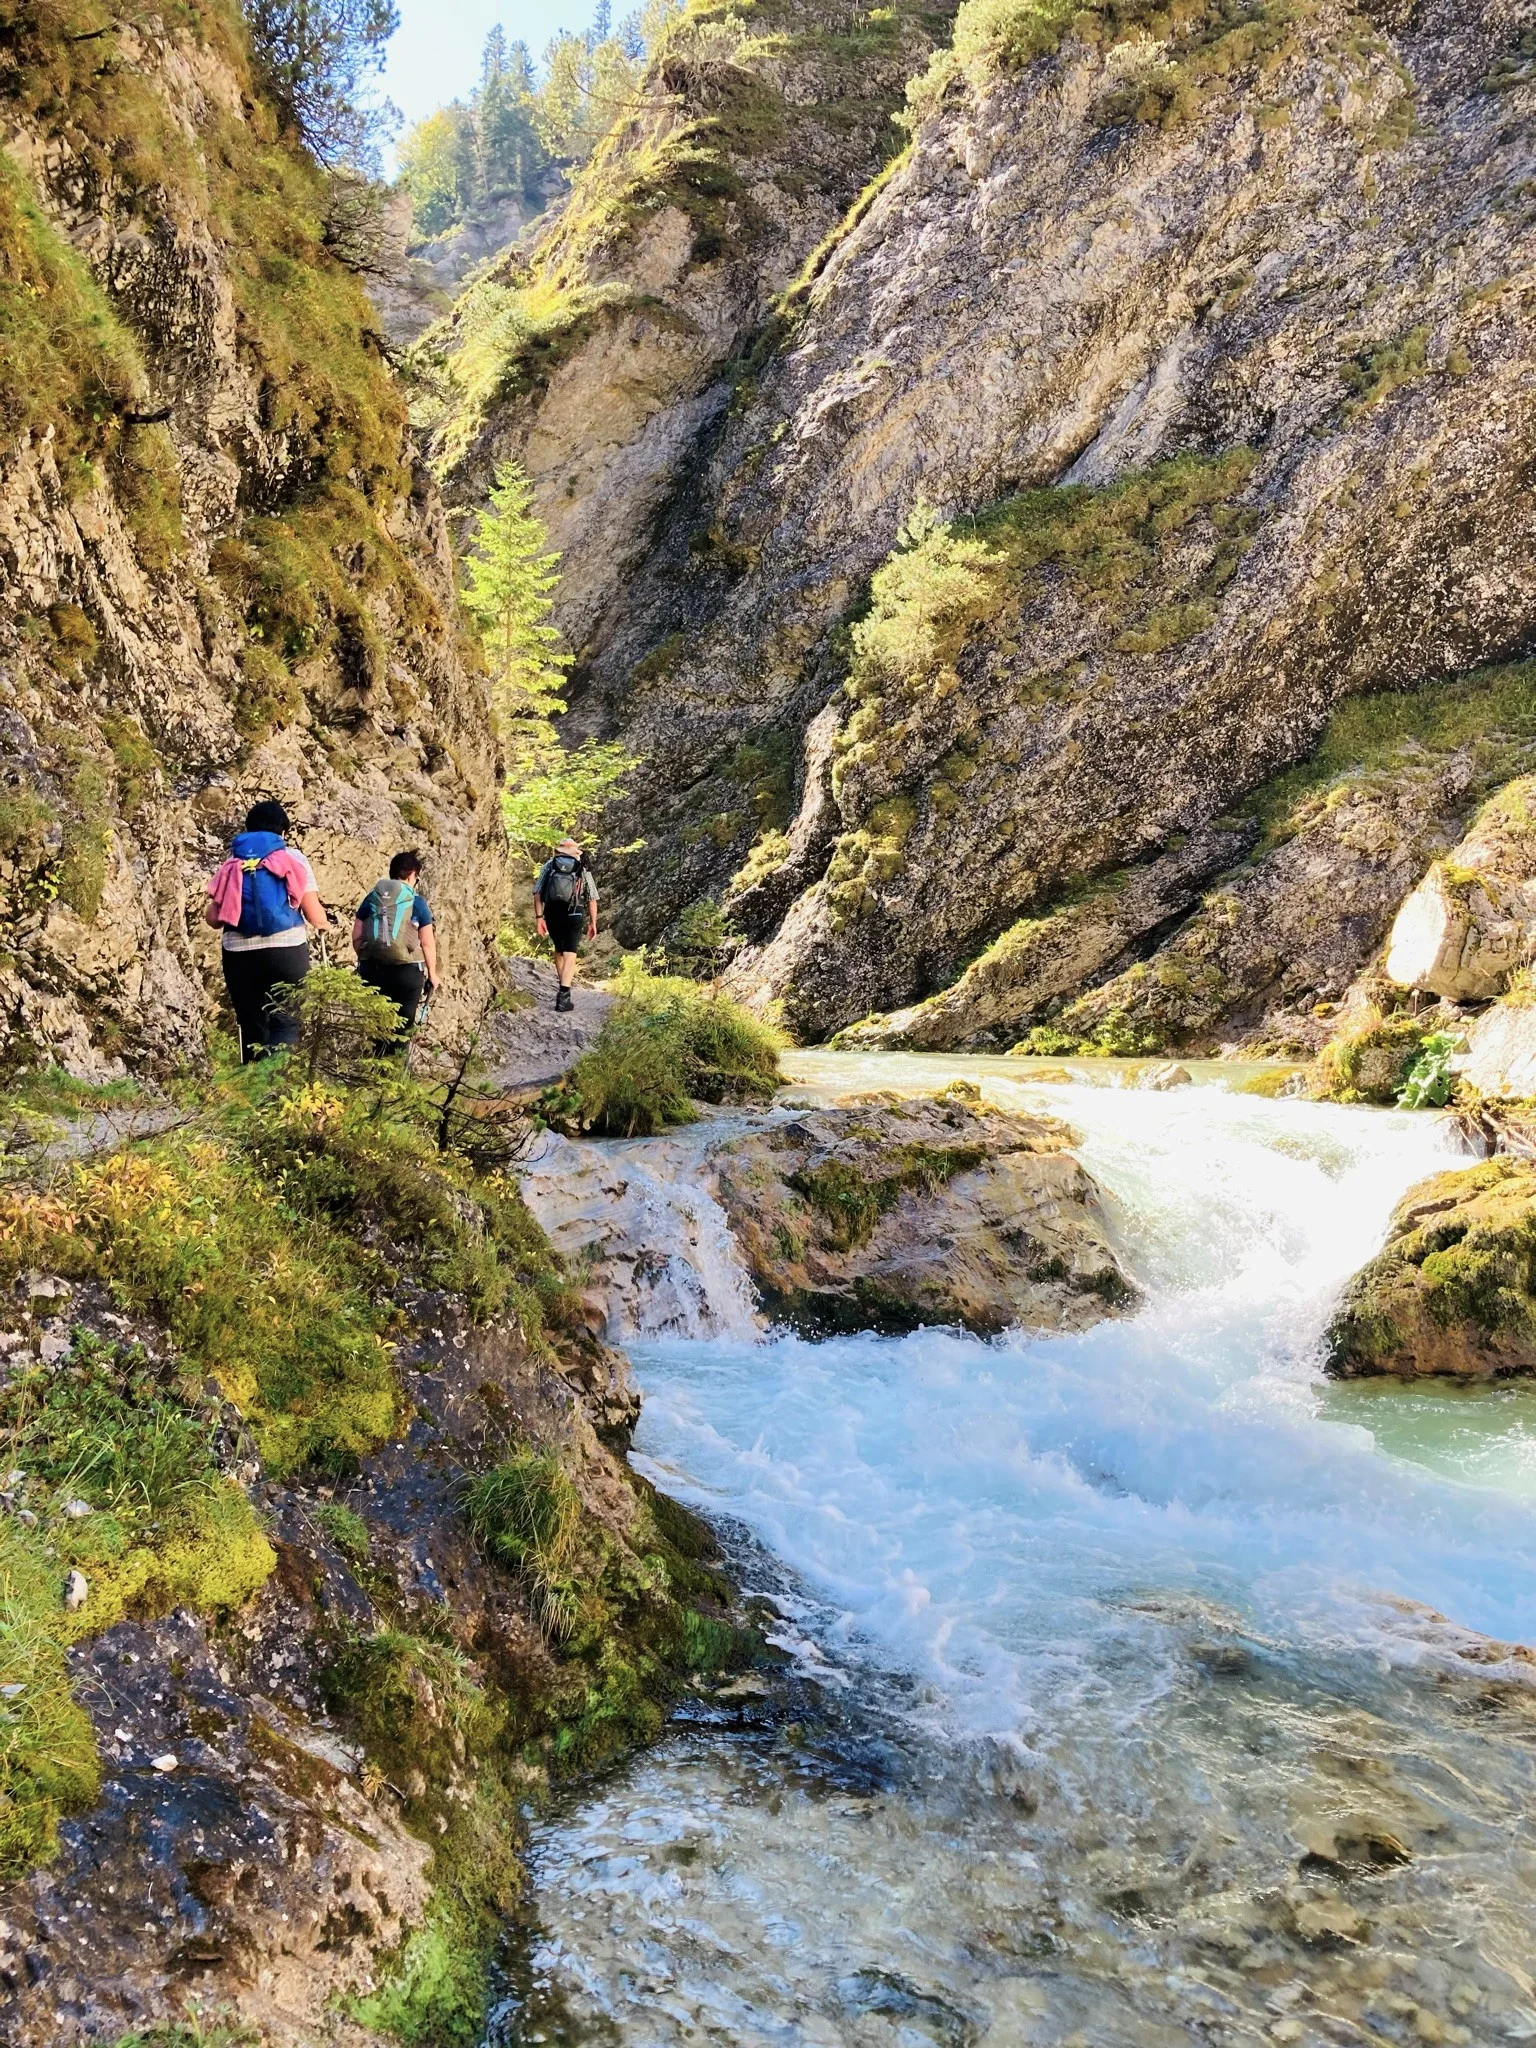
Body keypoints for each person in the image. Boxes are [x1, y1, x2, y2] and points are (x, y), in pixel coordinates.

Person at [205, 799, 330, 1061]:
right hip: (286, 949)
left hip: (238, 952)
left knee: (251, 1024)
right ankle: (273, 1086)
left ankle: (252, 1087)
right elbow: (313, 912)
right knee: (286, 1021)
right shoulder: (292, 857)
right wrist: (323, 924)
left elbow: (214, 918)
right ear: (282, 832)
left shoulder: (234, 861)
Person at [353, 849, 439, 1032]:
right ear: (412, 875)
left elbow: (357, 935)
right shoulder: (416, 901)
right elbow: (427, 943)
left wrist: (366, 957)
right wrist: (432, 973)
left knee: (375, 1028)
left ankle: (375, 1057)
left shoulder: (372, 898)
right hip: (407, 972)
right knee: (402, 1027)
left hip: (373, 969)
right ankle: (396, 1058)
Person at [534, 838, 597, 1012]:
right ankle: (563, 996)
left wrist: (539, 917)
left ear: (559, 851)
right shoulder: (582, 867)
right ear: (575, 851)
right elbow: (592, 897)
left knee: (559, 950)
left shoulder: (550, 865)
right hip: (574, 912)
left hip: (552, 913)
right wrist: (593, 922)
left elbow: (537, 892)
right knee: (570, 953)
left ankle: (563, 991)